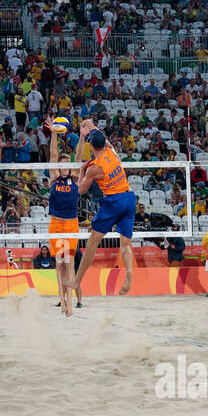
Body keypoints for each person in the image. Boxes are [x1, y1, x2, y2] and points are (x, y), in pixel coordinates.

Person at [66, 121, 135, 295]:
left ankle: (76, 280)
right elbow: (101, 136)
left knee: (92, 242)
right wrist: (90, 125)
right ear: (104, 143)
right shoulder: (112, 152)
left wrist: (82, 170)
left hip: (114, 201)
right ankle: (129, 273)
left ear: (91, 146)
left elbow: (80, 190)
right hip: (129, 197)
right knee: (125, 243)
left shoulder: (94, 169)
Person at [44, 117, 80, 316]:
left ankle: (71, 302)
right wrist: (54, 134)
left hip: (71, 224)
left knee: (70, 263)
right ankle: (62, 302)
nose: (64, 166)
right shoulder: (54, 177)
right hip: (56, 223)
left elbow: (79, 155)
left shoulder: (74, 177)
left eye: (67, 163)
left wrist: (82, 138)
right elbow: (52, 154)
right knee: (59, 264)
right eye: (62, 163)